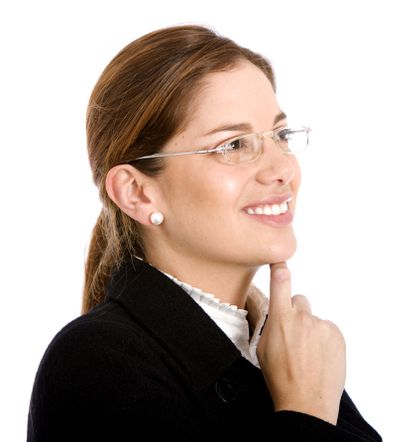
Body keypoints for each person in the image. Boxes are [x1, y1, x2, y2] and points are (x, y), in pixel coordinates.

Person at [27, 24, 382, 441]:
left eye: (281, 135)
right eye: (233, 145)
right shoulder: (93, 364)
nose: (283, 169)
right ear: (138, 193)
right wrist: (306, 413)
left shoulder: (286, 348)